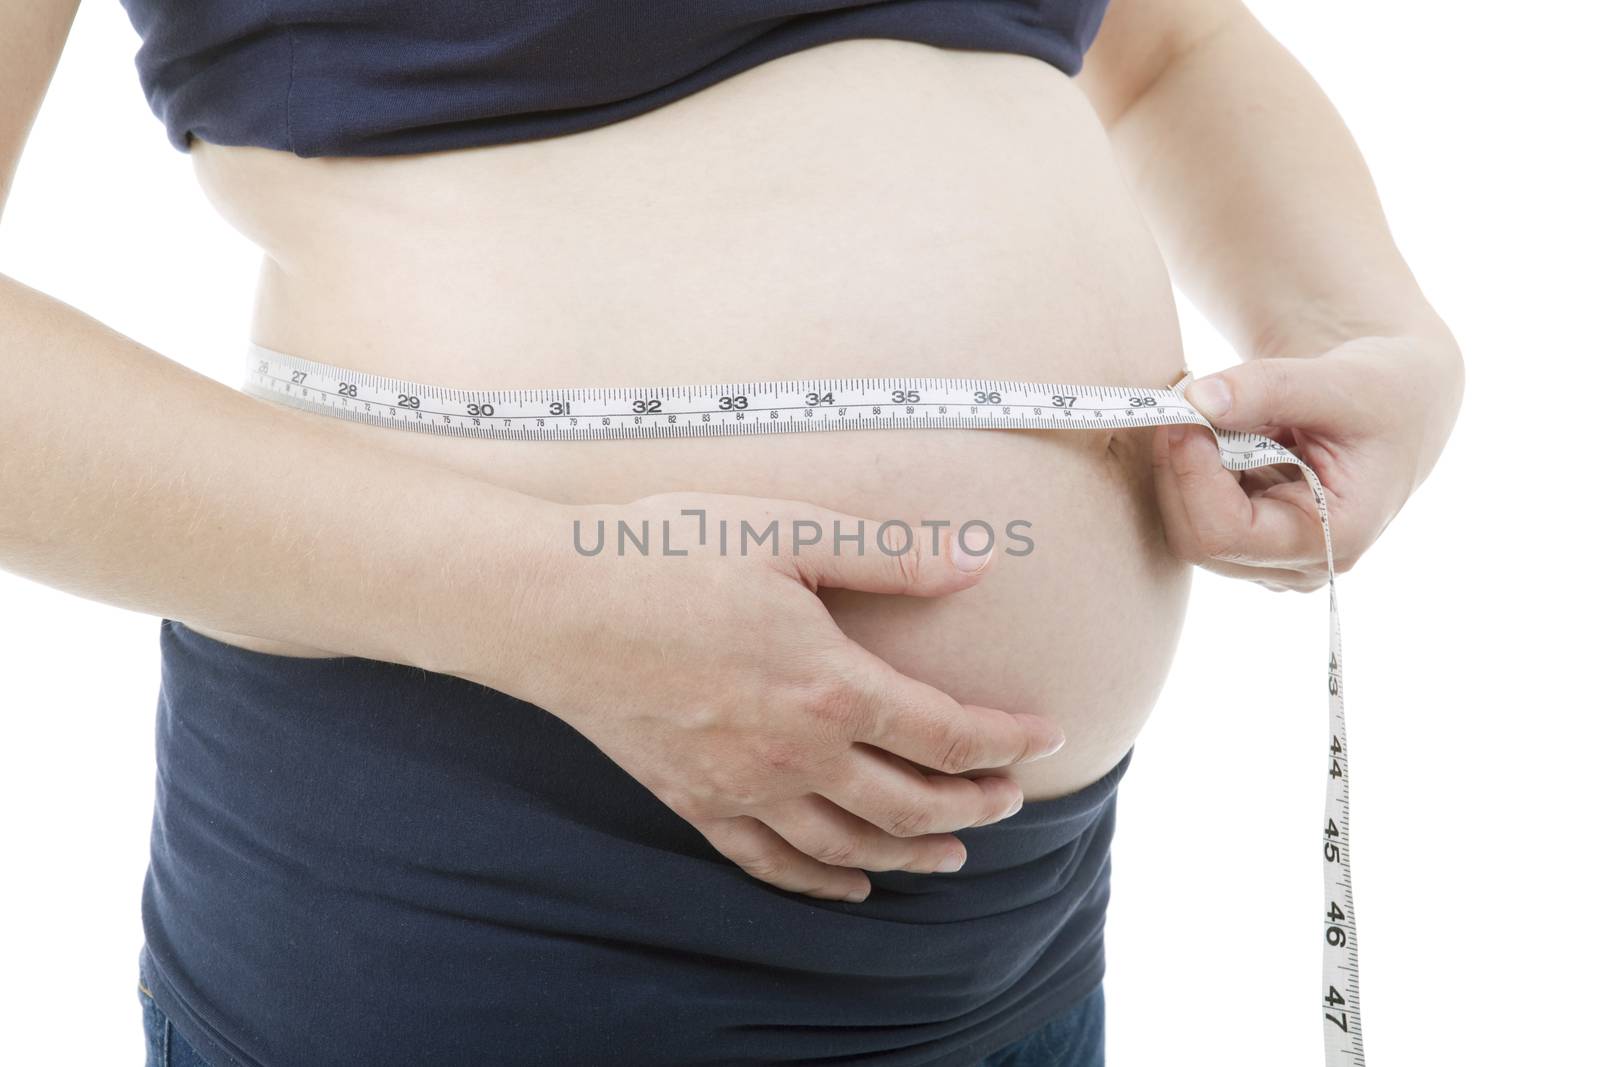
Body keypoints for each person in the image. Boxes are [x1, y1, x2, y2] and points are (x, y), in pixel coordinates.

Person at [0, 1, 1464, 1064]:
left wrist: (1362, 326)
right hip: (481, 924)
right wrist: (542, 595)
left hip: (1011, 946)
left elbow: (1157, 48)